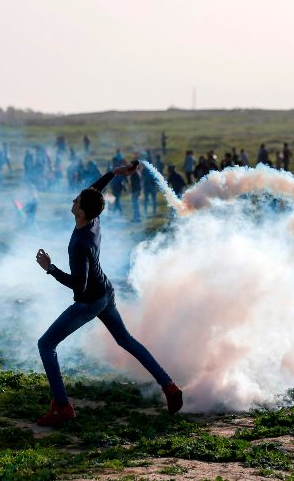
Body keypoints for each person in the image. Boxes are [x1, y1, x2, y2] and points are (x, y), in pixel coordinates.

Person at [34, 162, 182, 426]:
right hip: (106, 293)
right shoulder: (93, 217)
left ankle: (63, 407)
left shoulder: (81, 244)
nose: (73, 200)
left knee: (46, 345)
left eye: (76, 200)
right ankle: (169, 386)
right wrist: (114, 172)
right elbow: (94, 191)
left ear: (80, 211)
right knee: (126, 340)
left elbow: (79, 286)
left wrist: (51, 269)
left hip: (90, 301)